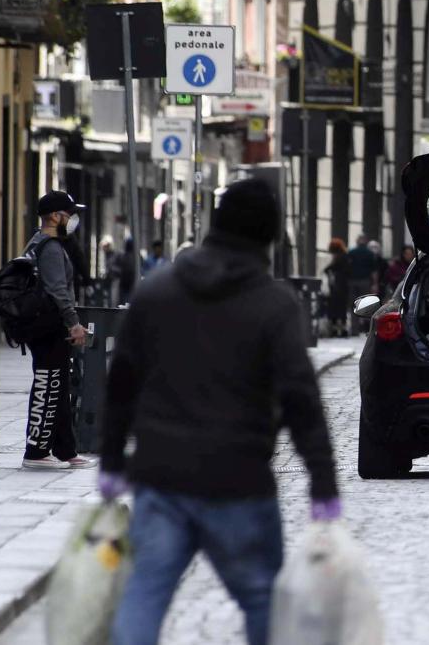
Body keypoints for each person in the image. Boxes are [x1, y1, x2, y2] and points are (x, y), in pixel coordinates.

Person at [98, 179, 341, 645]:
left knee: (144, 595)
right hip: (240, 483)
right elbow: (301, 399)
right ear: (269, 237)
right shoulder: (274, 306)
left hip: (161, 477)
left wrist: (111, 460)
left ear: (215, 223)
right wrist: (322, 483)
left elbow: (121, 382)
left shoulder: (157, 292)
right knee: (263, 602)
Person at [21, 191, 96, 470]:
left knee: (58, 384)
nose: (72, 219)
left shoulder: (36, 242)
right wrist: (74, 323)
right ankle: (37, 451)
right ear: (55, 216)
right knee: (49, 383)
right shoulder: (50, 246)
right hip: (50, 325)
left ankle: (66, 450)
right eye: (69, 213)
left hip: (43, 324)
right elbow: (58, 290)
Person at [324, 238, 352, 338]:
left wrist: (330, 273)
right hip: (343, 286)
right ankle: (342, 329)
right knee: (342, 308)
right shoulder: (345, 256)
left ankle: (336, 330)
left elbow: (328, 269)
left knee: (334, 308)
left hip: (336, 286)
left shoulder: (338, 258)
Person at [112, 238, 138, 305]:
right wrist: (120, 272)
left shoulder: (136, 256)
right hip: (124, 284)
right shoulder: (122, 255)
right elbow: (113, 267)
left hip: (132, 284)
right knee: (123, 303)